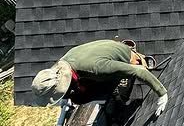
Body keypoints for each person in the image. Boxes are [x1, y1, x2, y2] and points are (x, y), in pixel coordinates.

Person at [31, 39, 168, 117]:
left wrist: (162, 94)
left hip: (128, 61)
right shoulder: (63, 65)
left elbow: (137, 71)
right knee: (77, 98)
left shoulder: (96, 69)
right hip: (103, 59)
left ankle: (117, 95)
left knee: (118, 101)